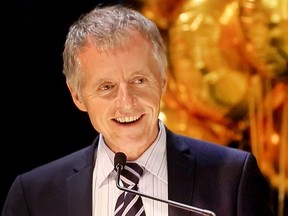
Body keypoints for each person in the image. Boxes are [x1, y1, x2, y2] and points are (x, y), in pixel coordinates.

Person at [1, 4, 275, 216]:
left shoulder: (232, 177)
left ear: (163, 81)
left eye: (139, 80)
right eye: (106, 86)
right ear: (77, 96)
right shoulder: (34, 196)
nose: (127, 101)